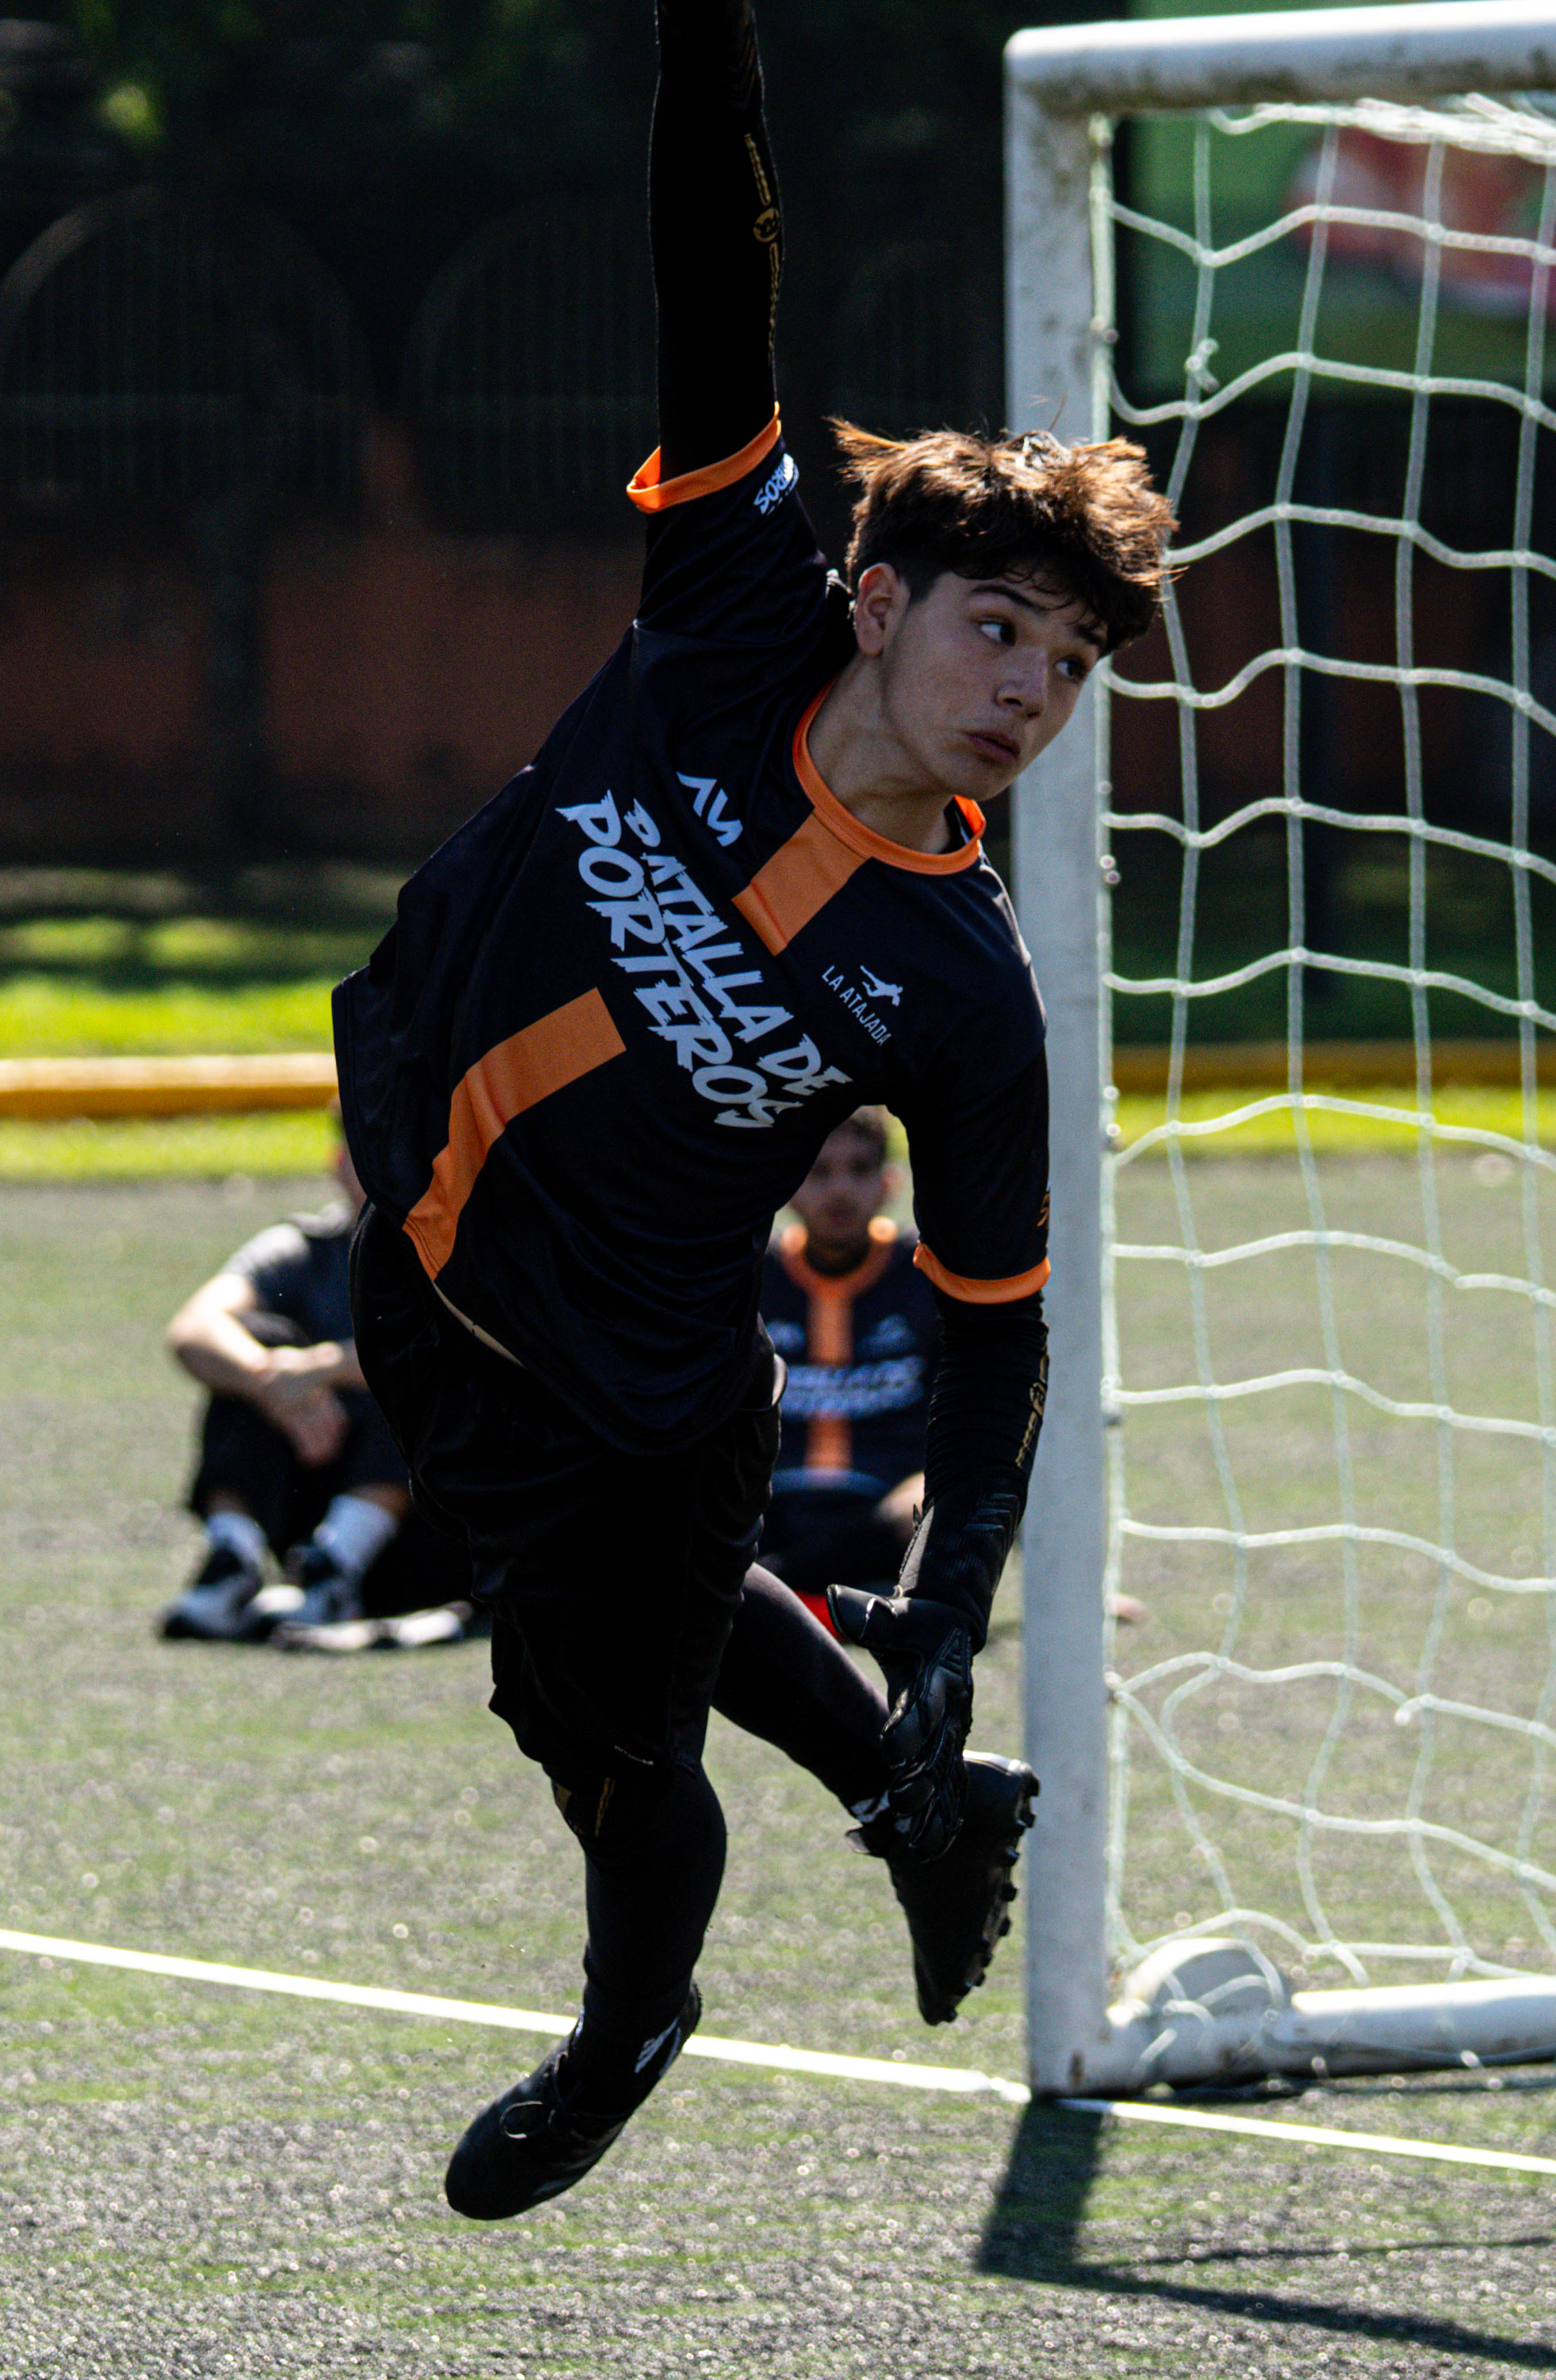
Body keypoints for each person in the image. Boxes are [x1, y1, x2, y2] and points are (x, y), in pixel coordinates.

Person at [334, 0, 1174, 2222]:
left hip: (619, 1384)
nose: (1030, 694)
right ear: (880, 598)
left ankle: (633, 2015)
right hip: (421, 1237)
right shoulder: (731, 597)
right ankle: (934, 1809)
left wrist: (946, 1593)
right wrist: (707, 55)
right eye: (1002, 632)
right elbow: (716, 278)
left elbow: (996, 1326)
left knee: (616, 1739)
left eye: (1069, 669)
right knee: (676, 1609)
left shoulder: (965, 996)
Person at [157, 1137, 479, 1653]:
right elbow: (194, 1328)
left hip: (435, 1536)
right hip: (309, 1502)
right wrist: (269, 1381)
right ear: (338, 1163)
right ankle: (233, 1562)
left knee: (404, 1363)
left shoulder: (461, 1246)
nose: (386, 1168)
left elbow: (463, 1353)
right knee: (251, 1341)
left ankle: (340, 1566)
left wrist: (320, 1369)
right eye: (367, 1148)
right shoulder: (302, 1245)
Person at [758, 1108, 934, 1605]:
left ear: (889, 1183)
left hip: (886, 1509)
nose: (839, 1190)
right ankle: (829, 1599)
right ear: (788, 1183)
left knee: (939, 1506)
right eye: (819, 1172)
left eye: (859, 1169)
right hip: (767, 1506)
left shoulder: (925, 1275)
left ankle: (777, 1593)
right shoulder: (752, 1277)